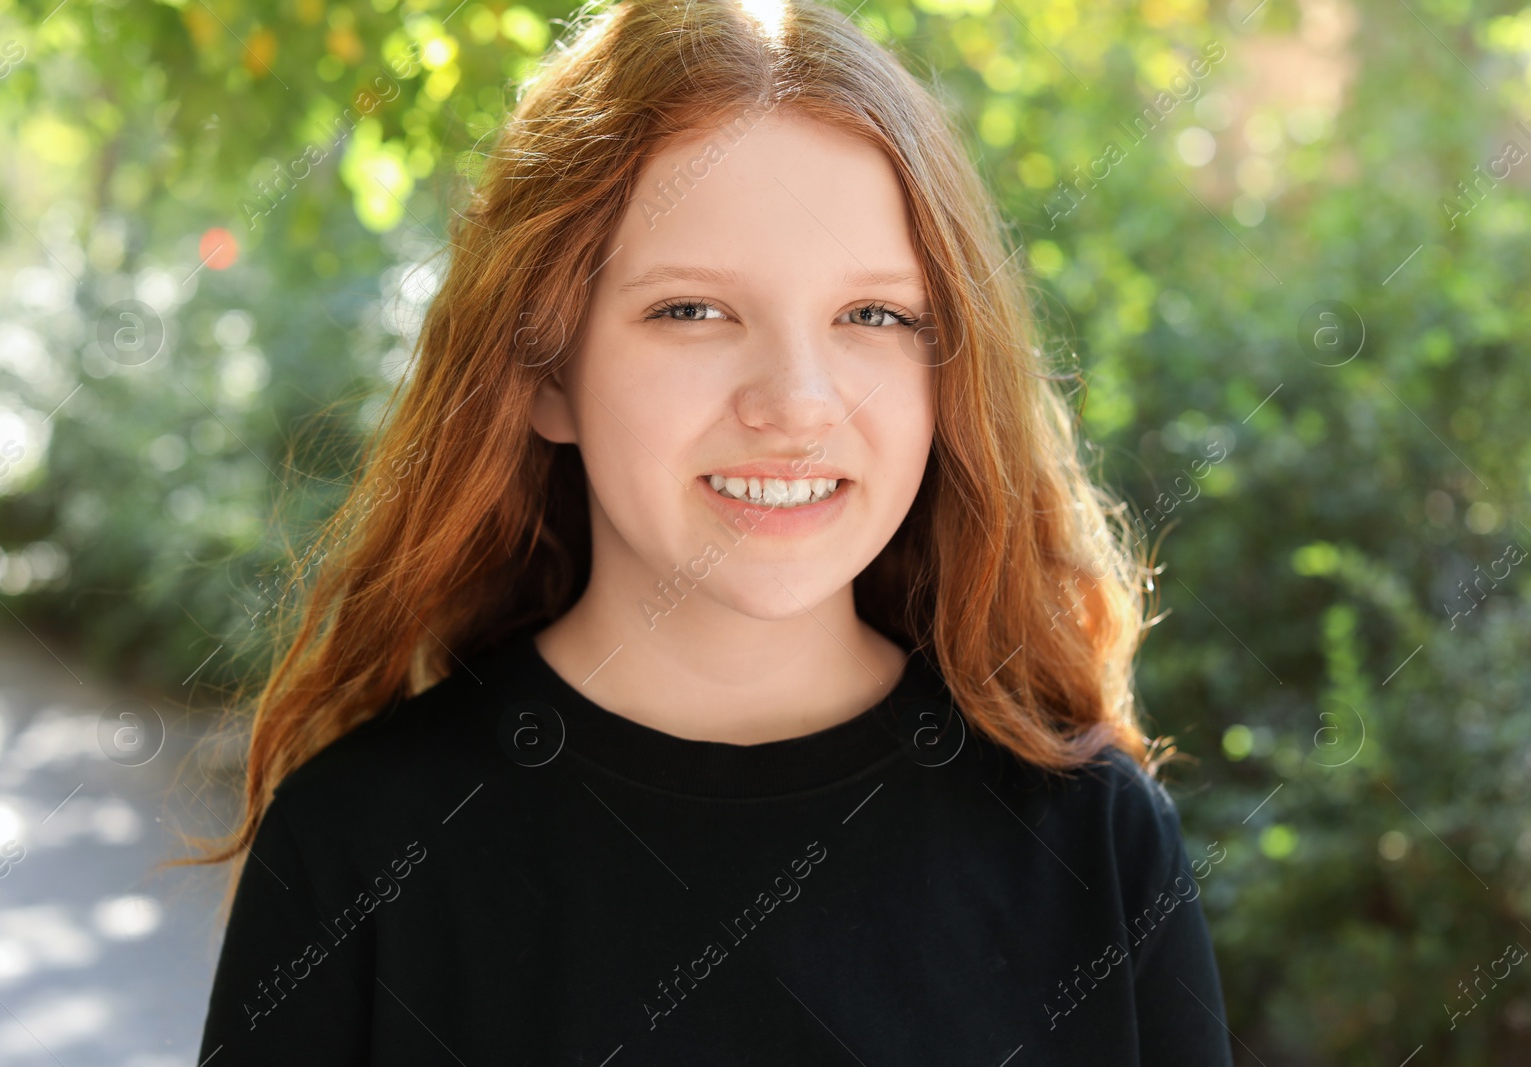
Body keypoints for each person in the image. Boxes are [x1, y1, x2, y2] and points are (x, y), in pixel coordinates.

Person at [188, 0, 1233, 1062]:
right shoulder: (356, 849)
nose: (795, 402)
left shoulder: (1094, 846)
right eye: (692, 310)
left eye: (874, 315)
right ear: (547, 372)